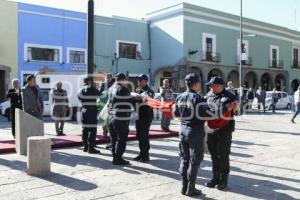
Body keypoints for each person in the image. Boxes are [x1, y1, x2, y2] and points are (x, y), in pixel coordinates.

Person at [174, 73, 211, 196]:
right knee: (195, 160)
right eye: (199, 82)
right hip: (194, 131)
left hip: (183, 130)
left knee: (184, 159)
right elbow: (208, 114)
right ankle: (191, 188)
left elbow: (176, 114)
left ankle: (183, 187)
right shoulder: (198, 98)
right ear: (195, 84)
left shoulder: (179, 97)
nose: (200, 84)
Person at [205, 76, 237, 191]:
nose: (210, 87)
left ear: (219, 86)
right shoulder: (208, 95)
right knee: (213, 154)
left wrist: (235, 109)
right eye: (210, 86)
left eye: (212, 86)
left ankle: (224, 179)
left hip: (225, 129)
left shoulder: (230, 96)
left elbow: (236, 111)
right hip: (211, 129)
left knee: (223, 155)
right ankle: (215, 178)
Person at [108, 73, 136, 165]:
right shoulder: (123, 89)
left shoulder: (111, 88)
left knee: (113, 138)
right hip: (120, 117)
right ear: (123, 80)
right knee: (122, 138)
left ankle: (114, 155)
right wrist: (137, 98)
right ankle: (118, 158)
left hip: (111, 116)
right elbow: (129, 102)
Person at [134, 74, 155, 162]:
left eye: (140, 80)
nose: (138, 81)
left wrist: (138, 99)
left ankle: (146, 155)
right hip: (138, 115)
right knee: (139, 135)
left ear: (145, 81)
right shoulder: (138, 90)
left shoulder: (149, 91)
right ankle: (141, 153)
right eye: (138, 80)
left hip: (146, 116)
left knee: (144, 135)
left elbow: (148, 102)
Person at [78, 76, 102, 154]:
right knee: (92, 129)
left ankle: (85, 146)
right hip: (91, 111)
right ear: (90, 82)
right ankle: (91, 147)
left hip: (84, 110)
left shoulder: (80, 89)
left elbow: (79, 98)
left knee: (85, 129)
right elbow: (100, 95)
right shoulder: (91, 88)